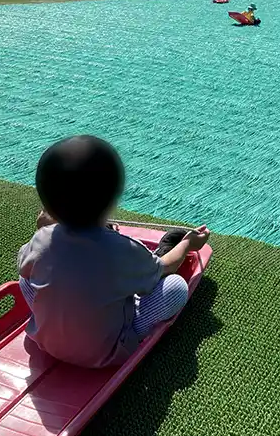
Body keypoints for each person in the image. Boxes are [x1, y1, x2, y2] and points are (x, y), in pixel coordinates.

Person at [18, 135, 209, 369]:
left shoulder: (42, 238)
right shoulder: (123, 249)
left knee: (26, 277)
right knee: (175, 287)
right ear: (113, 198)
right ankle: (132, 323)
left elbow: (24, 266)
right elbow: (166, 266)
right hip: (106, 354)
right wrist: (188, 244)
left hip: (47, 344)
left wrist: (44, 228)